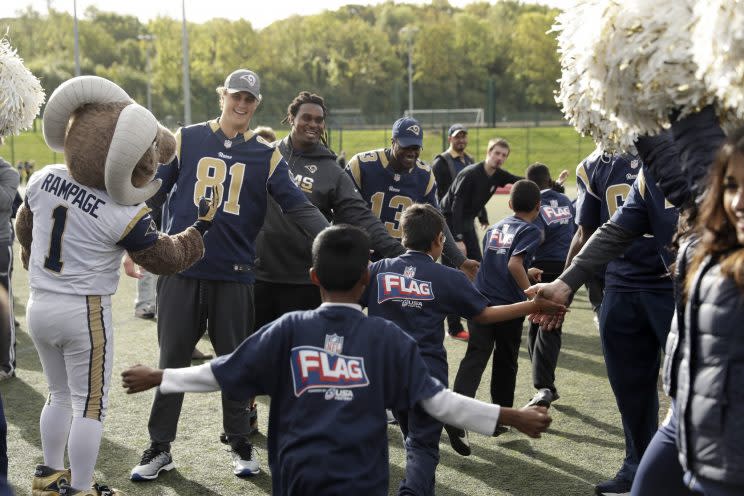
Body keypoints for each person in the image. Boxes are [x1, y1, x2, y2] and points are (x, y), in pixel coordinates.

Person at [121, 224, 553, 495]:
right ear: (367, 279)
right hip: (361, 480)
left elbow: (221, 372)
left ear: (313, 278)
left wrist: (161, 375)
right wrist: (512, 416)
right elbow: (439, 403)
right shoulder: (386, 338)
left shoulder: (289, 329)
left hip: (295, 477)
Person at [131, 69, 329, 482]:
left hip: (236, 274)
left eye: (250, 100)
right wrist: (136, 243)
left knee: (235, 364)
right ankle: (160, 447)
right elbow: (154, 193)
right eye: (236, 96)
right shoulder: (187, 138)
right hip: (182, 269)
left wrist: (332, 239)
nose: (242, 105)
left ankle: (239, 440)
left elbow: (297, 206)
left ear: (257, 104)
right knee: (172, 362)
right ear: (223, 96)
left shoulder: (266, 153)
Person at [363, 203, 565, 494]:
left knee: (411, 437)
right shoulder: (447, 278)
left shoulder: (377, 270)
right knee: (422, 446)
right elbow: (485, 314)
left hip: (385, 375)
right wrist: (534, 305)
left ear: (402, 237)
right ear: (438, 240)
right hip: (425, 376)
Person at [629, 126, 744, 496]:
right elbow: (687, 178)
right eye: (731, 186)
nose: (738, 201)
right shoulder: (714, 245)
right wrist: (638, 119)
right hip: (686, 416)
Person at [254, 91, 404, 331]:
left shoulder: (332, 172)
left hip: (303, 281)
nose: (313, 124)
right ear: (291, 118)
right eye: (306, 117)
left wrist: (399, 253)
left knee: (298, 357)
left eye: (318, 120)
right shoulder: (263, 154)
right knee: (255, 359)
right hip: (257, 276)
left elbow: (361, 216)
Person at [449, 180, 543, 443]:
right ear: (538, 206)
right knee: (506, 360)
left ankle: (456, 415)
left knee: (475, 357)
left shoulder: (495, 228)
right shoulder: (532, 230)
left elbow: (497, 264)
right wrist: (531, 292)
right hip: (507, 308)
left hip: (480, 301)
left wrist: (528, 272)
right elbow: (514, 265)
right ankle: (500, 418)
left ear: (510, 204)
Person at [344, 117, 478, 280]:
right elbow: (344, 210)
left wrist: (460, 261)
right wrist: (350, 244)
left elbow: (436, 221)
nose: (411, 152)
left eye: (415, 147)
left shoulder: (424, 174)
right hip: (362, 252)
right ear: (392, 141)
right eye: (406, 145)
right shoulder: (362, 165)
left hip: (398, 257)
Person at [523, 163, 574, 408]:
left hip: (541, 267)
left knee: (544, 324)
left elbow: (538, 236)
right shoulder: (564, 200)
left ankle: (545, 387)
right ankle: (543, 384)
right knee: (539, 324)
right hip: (566, 268)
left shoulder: (536, 204)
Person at [431, 124, 484, 341]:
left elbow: (475, 192)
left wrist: (482, 214)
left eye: (464, 136)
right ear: (450, 139)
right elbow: (438, 198)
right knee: (452, 275)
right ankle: (453, 326)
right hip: (449, 225)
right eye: (457, 137)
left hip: (468, 224)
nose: (461, 140)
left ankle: (479, 314)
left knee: (479, 269)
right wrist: (452, 233)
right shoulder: (441, 162)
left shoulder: (469, 161)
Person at [0, 144, 19, 381]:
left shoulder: (9, 173)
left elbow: (5, 202)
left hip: (0, 244)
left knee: (3, 307)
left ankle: (7, 364)